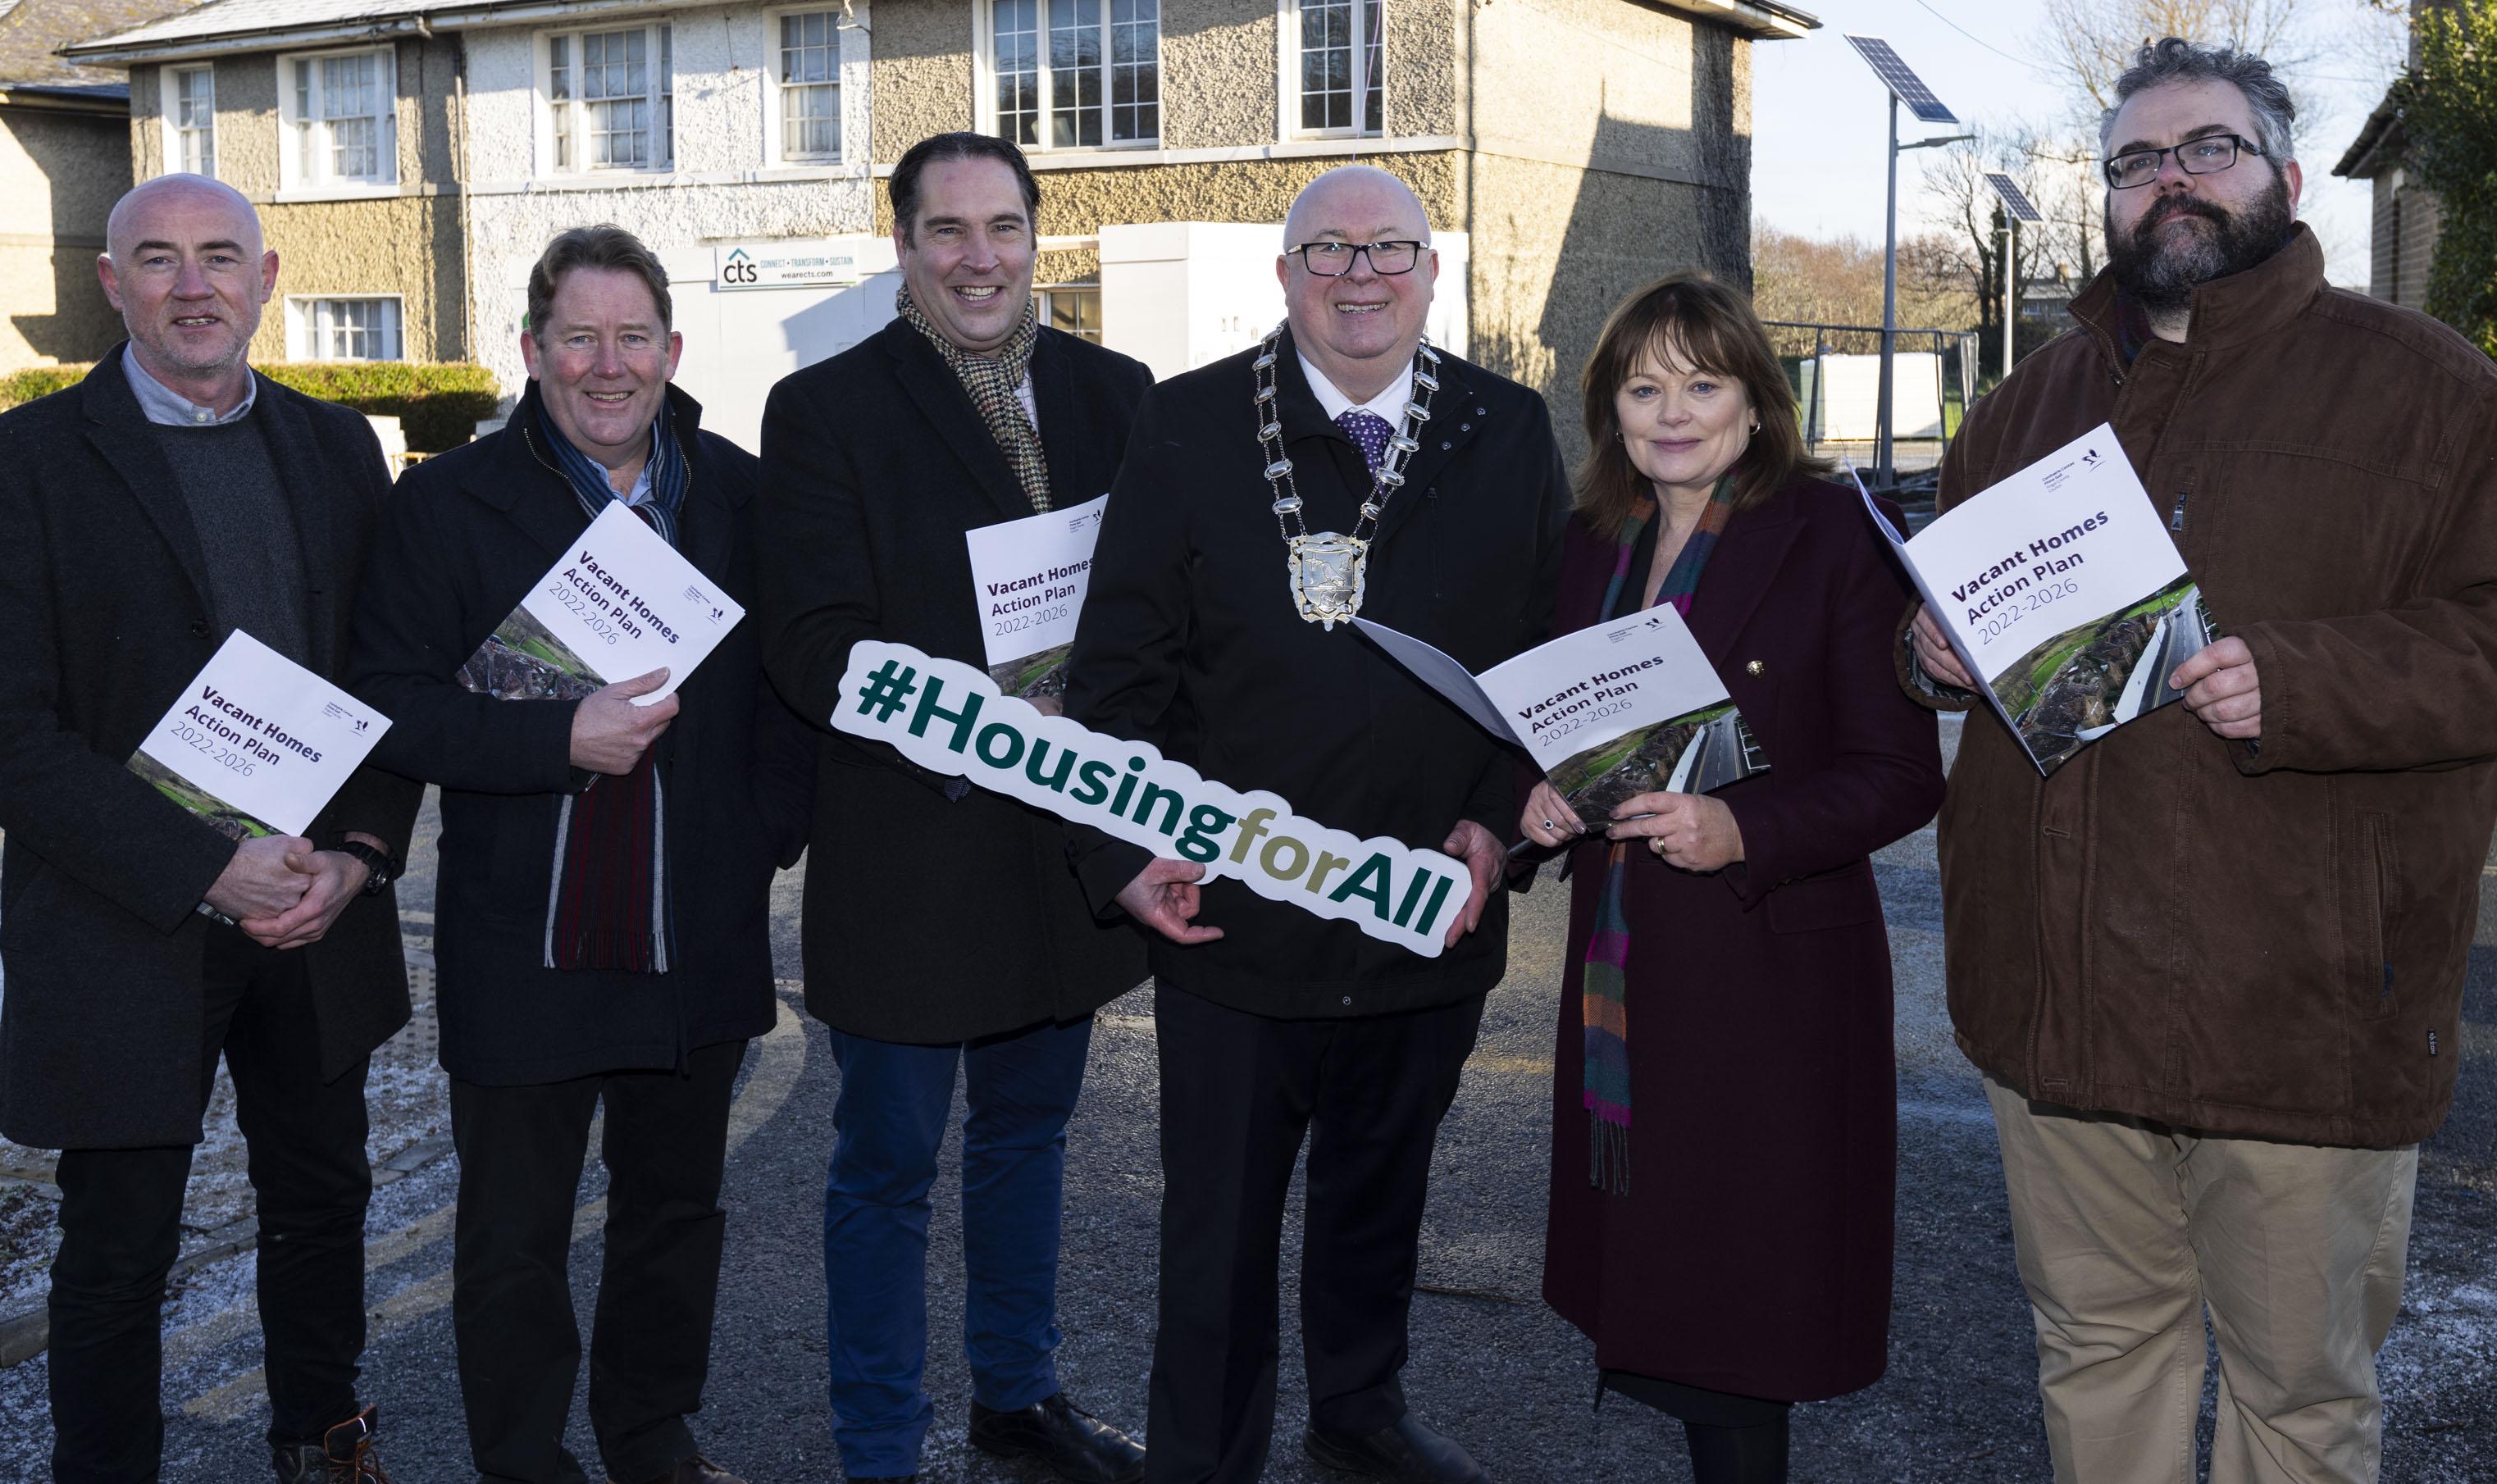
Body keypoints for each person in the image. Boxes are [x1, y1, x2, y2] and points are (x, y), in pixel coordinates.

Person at [1905, 39, 2497, 1484]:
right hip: (2059, 1006)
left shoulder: (2426, 390)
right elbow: (1952, 626)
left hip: (2301, 1010)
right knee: (2096, 1353)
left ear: (2287, 181)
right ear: (2105, 198)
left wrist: (2307, 680)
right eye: (2133, 160)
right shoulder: (2022, 410)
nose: (2168, 179)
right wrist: (1923, 656)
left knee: (2298, 1395)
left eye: (2207, 149)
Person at [1065, 165, 1569, 1484]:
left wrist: (1496, 824)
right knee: (1218, 1230)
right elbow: (1119, 670)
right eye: (1327, 251)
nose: (1360, 275)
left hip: (1427, 902)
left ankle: (1360, 1411)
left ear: (1432, 271)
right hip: (1237, 912)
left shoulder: (1508, 430)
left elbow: (1548, 658)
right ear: (1283, 276)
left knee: (1378, 1197)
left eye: (1389, 248)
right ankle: (1205, 1459)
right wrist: (1125, 853)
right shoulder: (1186, 425)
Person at [0, 173, 417, 1484]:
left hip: (313, 907)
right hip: (126, 920)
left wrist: (362, 856)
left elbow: (386, 680)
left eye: (219, 256)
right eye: (158, 258)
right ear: (111, 283)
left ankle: (322, 1440)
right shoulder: (13, 466)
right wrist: (210, 864)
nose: (191, 284)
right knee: (118, 1248)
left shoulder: (333, 450)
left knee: (323, 1199)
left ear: (268, 279)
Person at [349, 226, 810, 1484]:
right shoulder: (446, 504)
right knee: (512, 1237)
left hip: (693, 928)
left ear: (671, 348)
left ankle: (651, 1434)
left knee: (674, 1217)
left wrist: (763, 836)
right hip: (525, 930)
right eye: (578, 338)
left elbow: (794, 692)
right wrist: (558, 734)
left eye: (632, 338)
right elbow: (387, 693)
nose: (608, 366)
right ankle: (523, 1457)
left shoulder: (742, 494)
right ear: (533, 349)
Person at [760, 132, 1155, 1484]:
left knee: (1030, 1136)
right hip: (912, 848)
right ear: (904, 247)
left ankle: (1016, 1394)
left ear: (1041, 234)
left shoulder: (1120, 395)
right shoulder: (827, 411)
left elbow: (1160, 612)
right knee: (885, 1171)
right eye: (947, 231)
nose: (978, 257)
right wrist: (987, 721)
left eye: (1003, 226)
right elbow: (812, 647)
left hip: (1065, 855)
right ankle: (881, 1443)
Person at [1516, 275, 1943, 1484]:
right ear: (1610, 412)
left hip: (1768, 990)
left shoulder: (1833, 534)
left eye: (1703, 383)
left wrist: (1739, 825)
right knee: (1664, 1277)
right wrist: (1541, 795)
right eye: (1644, 386)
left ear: (1758, 404)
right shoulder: (1596, 539)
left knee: (1744, 1310)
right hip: (1631, 971)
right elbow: (1560, 724)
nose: (1673, 411)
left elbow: (1901, 773)